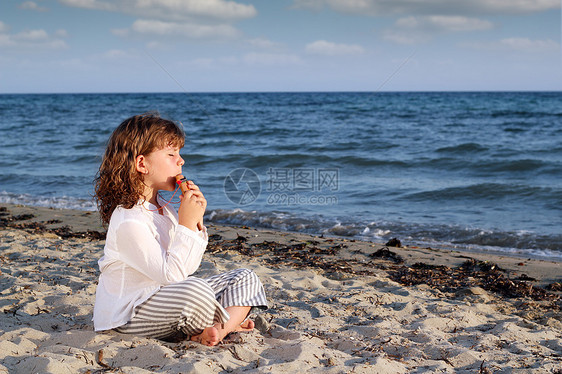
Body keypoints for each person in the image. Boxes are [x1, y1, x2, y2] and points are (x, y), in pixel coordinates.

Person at [92, 113, 267, 346]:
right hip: (128, 315)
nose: (181, 161)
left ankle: (218, 329)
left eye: (180, 154)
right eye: (172, 154)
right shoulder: (128, 220)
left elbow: (186, 268)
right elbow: (172, 275)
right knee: (196, 290)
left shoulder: (164, 210)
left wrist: (194, 223)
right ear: (142, 163)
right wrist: (186, 224)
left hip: (166, 297)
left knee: (245, 277)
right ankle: (229, 323)